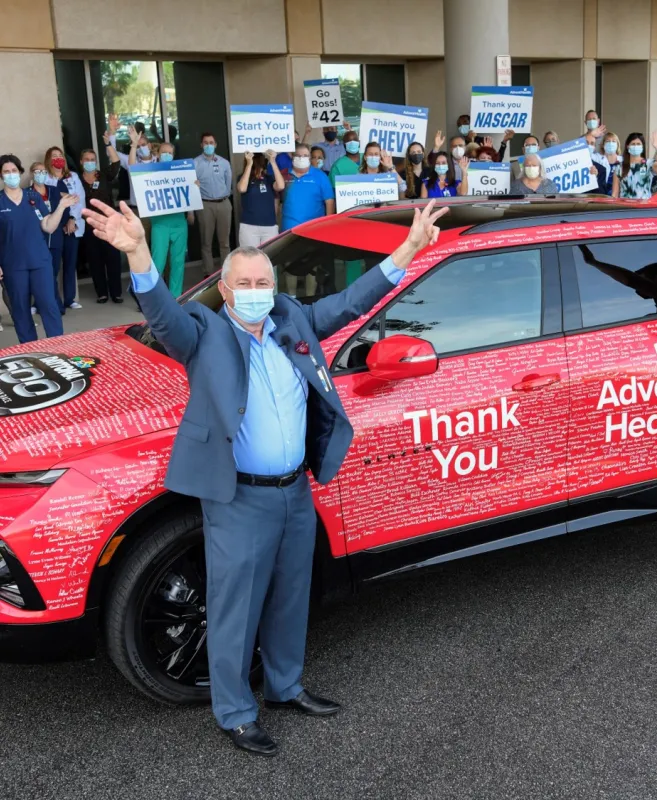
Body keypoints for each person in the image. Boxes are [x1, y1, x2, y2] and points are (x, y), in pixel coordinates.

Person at [82, 193, 449, 756]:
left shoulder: (291, 319)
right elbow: (162, 315)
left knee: (290, 596)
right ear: (226, 290)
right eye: (245, 284)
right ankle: (234, 712)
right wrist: (138, 254)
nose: (256, 292)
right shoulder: (203, 333)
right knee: (236, 606)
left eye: (263, 282)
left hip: (295, 491)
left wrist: (408, 248)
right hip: (239, 500)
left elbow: (352, 303)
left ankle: (285, 686)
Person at [0, 154, 76, 343]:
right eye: (6, 172)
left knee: (49, 305)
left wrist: (61, 208)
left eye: (14, 171)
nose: (11, 175)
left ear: (20, 172)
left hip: (40, 261)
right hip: (13, 265)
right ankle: (30, 349)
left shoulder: (32, 197)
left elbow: (48, 226)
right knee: (20, 310)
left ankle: (57, 348)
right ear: (1, 176)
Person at [133, 140, 195, 299]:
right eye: (164, 152)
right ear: (158, 154)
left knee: (178, 262)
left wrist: (194, 190)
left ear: (173, 155)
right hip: (160, 223)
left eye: (170, 153)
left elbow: (189, 193)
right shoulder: (150, 171)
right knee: (157, 262)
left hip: (179, 222)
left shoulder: (181, 171)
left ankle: (176, 296)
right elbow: (133, 167)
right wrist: (134, 146)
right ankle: (153, 297)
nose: (167, 155)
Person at [280, 143, 335, 298]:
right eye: (298, 156)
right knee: (290, 266)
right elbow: (276, 199)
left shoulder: (320, 176)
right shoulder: (284, 175)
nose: (302, 159)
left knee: (312, 267)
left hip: (314, 231)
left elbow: (329, 201)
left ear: (310, 158)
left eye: (305, 156)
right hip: (288, 230)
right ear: (292, 157)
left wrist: (328, 226)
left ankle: (309, 298)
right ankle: (292, 298)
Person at [79, 136, 123, 302]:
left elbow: (116, 163)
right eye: (87, 159)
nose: (90, 162)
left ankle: (116, 292)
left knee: (113, 258)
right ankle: (102, 293)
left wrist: (108, 144)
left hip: (109, 223)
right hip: (89, 226)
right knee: (95, 260)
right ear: (81, 161)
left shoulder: (103, 175)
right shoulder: (77, 180)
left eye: (93, 159)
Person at [45, 145, 84, 310]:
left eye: (60, 155)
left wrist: (72, 219)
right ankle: (46, 300)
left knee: (70, 263)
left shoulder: (73, 176)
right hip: (52, 226)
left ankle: (69, 299)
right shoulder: (45, 178)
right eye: (54, 156)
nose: (58, 158)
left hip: (71, 225)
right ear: (48, 160)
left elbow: (79, 199)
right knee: (51, 266)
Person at [29, 161, 70, 314]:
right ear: (31, 173)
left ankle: (44, 304)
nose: (40, 174)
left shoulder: (54, 190)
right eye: (37, 171)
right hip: (37, 239)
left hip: (55, 237)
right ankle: (54, 305)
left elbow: (65, 207)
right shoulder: (28, 193)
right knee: (41, 273)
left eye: (43, 171)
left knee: (52, 272)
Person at [194, 133, 233, 276]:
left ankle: (226, 273)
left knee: (225, 242)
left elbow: (228, 184)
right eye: (205, 142)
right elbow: (192, 186)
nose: (208, 145)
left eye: (211, 142)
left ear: (215, 144)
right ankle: (208, 274)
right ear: (201, 145)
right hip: (205, 205)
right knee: (206, 242)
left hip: (223, 203)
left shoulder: (224, 162)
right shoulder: (195, 163)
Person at [237, 150, 285, 249]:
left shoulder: (269, 178)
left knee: (269, 259)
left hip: (269, 226)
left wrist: (273, 161)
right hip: (249, 226)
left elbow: (280, 186)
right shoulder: (243, 178)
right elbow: (242, 188)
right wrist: (249, 164)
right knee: (250, 259)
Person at [612, 131, 657, 200]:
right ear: (627, 146)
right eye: (633, 144)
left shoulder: (648, 164)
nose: (636, 146)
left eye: (638, 144)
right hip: (625, 208)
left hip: (644, 207)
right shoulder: (619, 167)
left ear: (642, 147)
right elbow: (614, 194)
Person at [594, 132, 623, 196]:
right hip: (601, 196)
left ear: (617, 145)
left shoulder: (623, 161)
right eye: (608, 141)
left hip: (619, 197)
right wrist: (592, 134)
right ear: (603, 145)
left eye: (613, 141)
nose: (611, 143)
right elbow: (584, 154)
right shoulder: (597, 158)